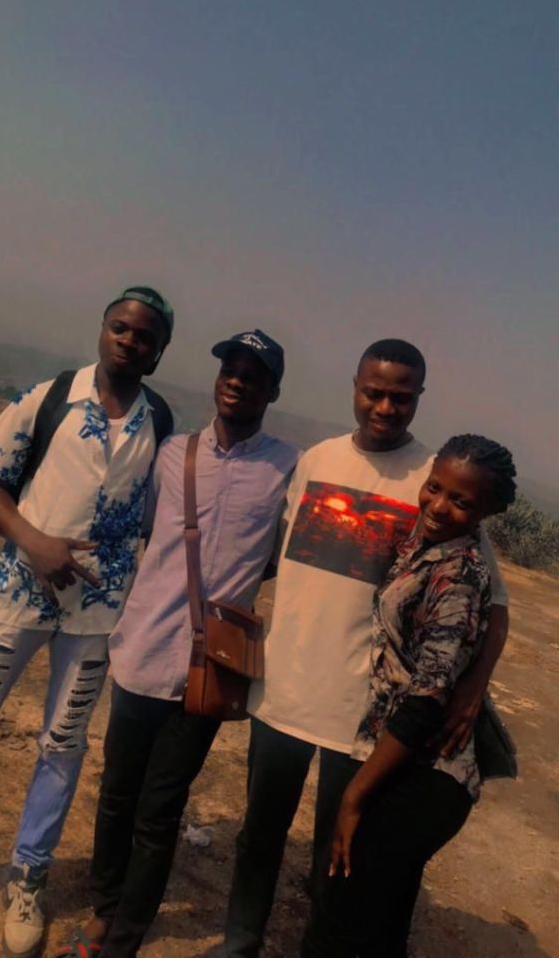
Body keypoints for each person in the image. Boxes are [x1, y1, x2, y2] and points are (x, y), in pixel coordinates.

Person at [225, 339, 509, 957]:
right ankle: (240, 941)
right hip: (283, 688)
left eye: (400, 397)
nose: (384, 407)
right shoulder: (317, 460)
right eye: (373, 392)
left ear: (418, 398)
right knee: (260, 834)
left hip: (362, 715)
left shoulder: (437, 479)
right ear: (354, 387)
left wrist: (473, 688)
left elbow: (495, 607)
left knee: (338, 850)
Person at [56, 330, 300, 958]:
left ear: (272, 391)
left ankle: (123, 937)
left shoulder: (287, 470)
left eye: (253, 375)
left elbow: (278, 556)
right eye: (230, 370)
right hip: (142, 650)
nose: (237, 381)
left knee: (160, 808)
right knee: (117, 793)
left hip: (210, 670)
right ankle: (106, 906)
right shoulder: (173, 454)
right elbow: (144, 530)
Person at [0, 286, 174, 958]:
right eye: (120, 327)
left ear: (158, 351)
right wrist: (32, 540)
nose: (129, 340)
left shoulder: (160, 424)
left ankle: (28, 875)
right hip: (16, 591)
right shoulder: (50, 397)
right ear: (103, 329)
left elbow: (156, 519)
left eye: (144, 335)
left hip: (96, 613)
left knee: (63, 745)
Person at [300, 434, 517, 957]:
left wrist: (353, 797)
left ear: (486, 510)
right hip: (405, 765)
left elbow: (425, 702)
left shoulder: (458, 574)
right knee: (380, 926)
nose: (439, 506)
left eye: (460, 500)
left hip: (423, 775)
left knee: (337, 921)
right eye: (434, 488)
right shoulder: (430, 548)